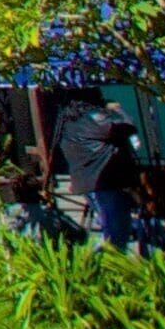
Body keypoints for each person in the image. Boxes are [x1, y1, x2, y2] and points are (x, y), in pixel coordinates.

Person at [58, 95, 143, 251]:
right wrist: (118, 110)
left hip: (89, 183)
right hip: (105, 183)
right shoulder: (94, 119)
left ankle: (106, 263)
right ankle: (109, 267)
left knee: (112, 229)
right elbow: (128, 127)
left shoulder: (70, 123)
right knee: (116, 234)